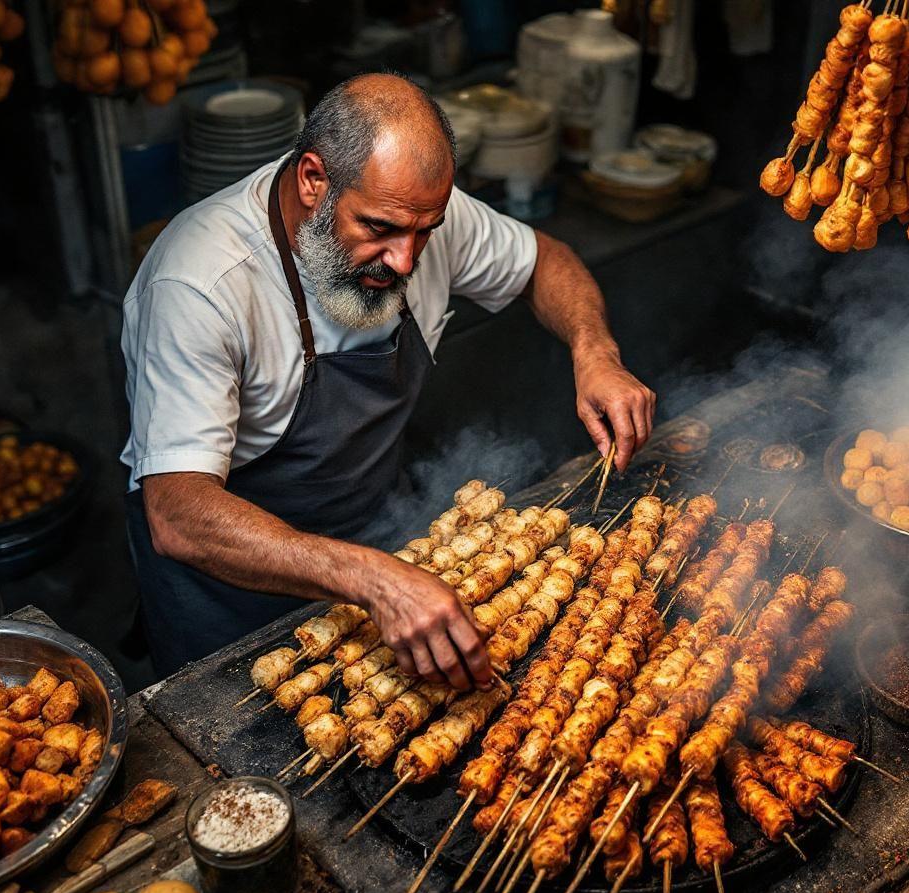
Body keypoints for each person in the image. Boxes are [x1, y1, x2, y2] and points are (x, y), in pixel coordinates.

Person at [120, 73, 656, 683]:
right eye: (378, 229)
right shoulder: (201, 283)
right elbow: (178, 511)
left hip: (380, 546)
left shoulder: (411, 207)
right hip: (228, 598)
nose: (405, 259)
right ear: (313, 180)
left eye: (423, 232)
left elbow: (545, 261)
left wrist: (595, 352)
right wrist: (371, 578)